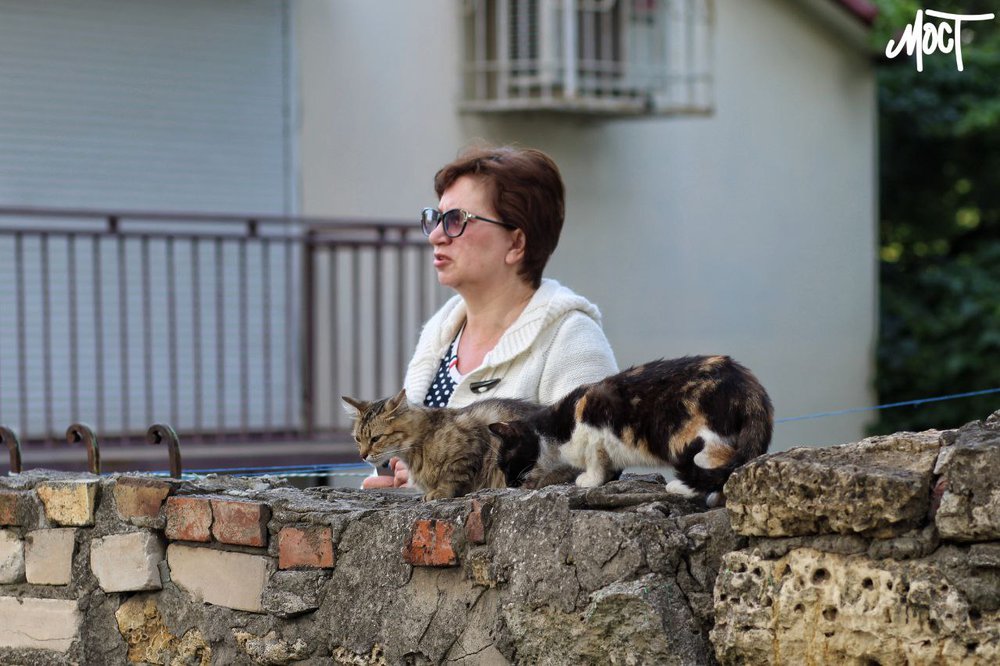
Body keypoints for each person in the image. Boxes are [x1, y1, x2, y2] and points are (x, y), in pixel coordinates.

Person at [363, 144, 617, 489]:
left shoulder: (571, 338)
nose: (436, 236)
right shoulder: (440, 334)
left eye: (455, 220)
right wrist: (394, 485)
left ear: (516, 243)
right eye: (434, 219)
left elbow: (595, 468)